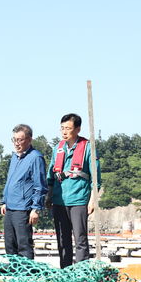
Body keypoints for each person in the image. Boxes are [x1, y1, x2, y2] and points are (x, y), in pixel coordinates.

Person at [45, 113, 101, 268]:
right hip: (59, 200)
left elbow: (96, 179)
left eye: (68, 128)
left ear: (77, 129)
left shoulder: (88, 148)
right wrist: (48, 196)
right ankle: (65, 270)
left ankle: (82, 272)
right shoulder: (58, 148)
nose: (64, 132)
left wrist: (92, 201)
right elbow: (51, 175)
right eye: (62, 128)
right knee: (62, 239)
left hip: (78, 200)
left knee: (80, 239)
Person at [0, 124, 48, 259]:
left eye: (20, 140)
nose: (17, 143)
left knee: (23, 245)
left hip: (23, 208)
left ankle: (26, 275)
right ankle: (14, 275)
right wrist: (4, 201)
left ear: (29, 139)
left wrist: (36, 208)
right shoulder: (15, 157)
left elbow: (40, 186)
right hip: (10, 207)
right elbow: (10, 181)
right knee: (10, 245)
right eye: (14, 139)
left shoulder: (35, 157)